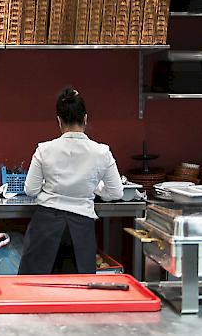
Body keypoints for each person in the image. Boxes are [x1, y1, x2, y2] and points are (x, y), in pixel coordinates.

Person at [18, 87, 124, 275]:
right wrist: (95, 187)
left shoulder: (44, 149)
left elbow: (31, 190)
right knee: (77, 292)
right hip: (81, 226)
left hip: (46, 224)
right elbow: (116, 193)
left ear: (59, 121)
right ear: (85, 118)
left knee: (35, 288)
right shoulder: (102, 152)